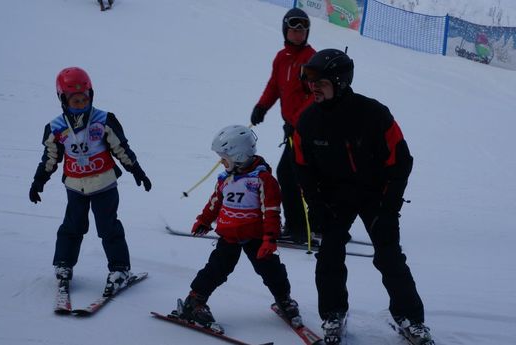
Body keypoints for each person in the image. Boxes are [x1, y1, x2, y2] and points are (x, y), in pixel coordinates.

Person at [294, 49, 434, 345]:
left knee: (389, 256)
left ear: (340, 81)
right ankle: (333, 313)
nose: (313, 87)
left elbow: (401, 161)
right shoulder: (306, 122)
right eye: (310, 81)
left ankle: (410, 318)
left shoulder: (373, 114)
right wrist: (315, 205)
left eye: (320, 81)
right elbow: (303, 169)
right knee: (329, 253)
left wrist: (389, 208)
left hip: (375, 194)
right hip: (335, 194)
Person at [29, 67, 152, 296]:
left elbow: (121, 148)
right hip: (75, 187)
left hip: (104, 184)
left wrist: (137, 171)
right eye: (74, 100)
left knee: (108, 227)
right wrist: (39, 181)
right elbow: (50, 158)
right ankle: (64, 265)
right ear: (62, 99)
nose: (80, 103)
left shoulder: (104, 120)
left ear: (91, 95)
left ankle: (119, 269)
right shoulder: (56, 127)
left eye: (84, 98)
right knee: (72, 227)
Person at [178, 125, 302, 328]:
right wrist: (204, 220)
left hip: (256, 238)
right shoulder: (225, 179)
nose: (221, 161)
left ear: (239, 155)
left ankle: (284, 299)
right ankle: (194, 301)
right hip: (228, 236)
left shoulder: (262, 180)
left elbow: (271, 212)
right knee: (216, 269)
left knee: (272, 271)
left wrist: (270, 238)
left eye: (224, 157)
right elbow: (215, 202)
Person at [250, 8, 316, 244]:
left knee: (289, 174)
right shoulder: (281, 57)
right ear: (285, 30)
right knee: (301, 174)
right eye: (294, 29)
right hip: (292, 128)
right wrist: (262, 107)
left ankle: (300, 228)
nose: (298, 34)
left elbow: (314, 96)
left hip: (308, 128)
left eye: (302, 30)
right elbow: (274, 86)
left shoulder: (311, 59)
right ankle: (316, 223)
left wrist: (296, 123)